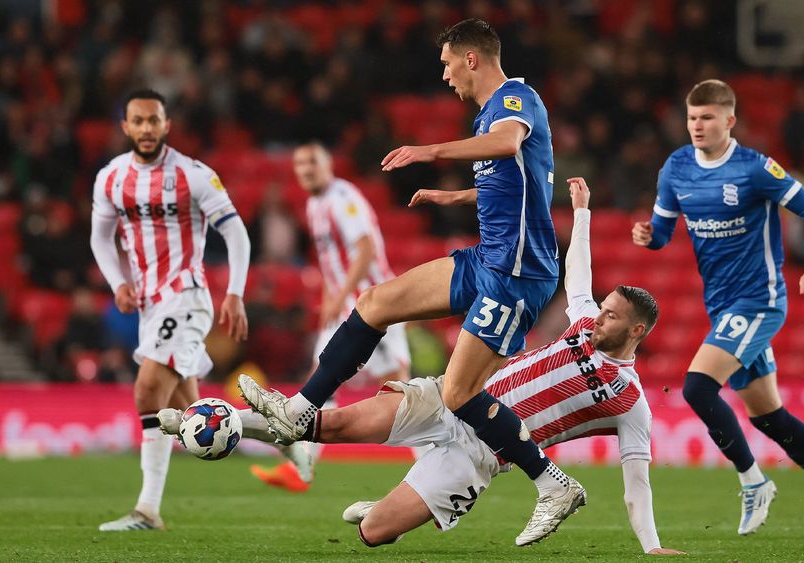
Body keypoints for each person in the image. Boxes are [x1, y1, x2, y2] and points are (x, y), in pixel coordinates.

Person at [164, 179, 683, 554]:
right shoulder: (585, 322)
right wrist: (584, 213)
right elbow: (578, 276)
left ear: (636, 331)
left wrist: (653, 548)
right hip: (450, 394)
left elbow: (637, 481)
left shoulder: (630, 401)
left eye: (612, 315)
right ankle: (227, 422)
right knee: (333, 423)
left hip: (481, 450)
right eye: (603, 307)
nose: (598, 316)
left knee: (373, 534)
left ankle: (393, 505)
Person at [238, 19, 583, 545]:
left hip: (517, 275)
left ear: (472, 58)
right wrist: (459, 197)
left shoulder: (516, 100)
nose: (444, 75)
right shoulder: (491, 113)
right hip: (487, 259)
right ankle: (301, 409)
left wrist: (432, 152)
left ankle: (552, 484)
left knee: (459, 391)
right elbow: (524, 186)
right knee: (376, 301)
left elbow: (508, 145)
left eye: (448, 63)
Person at [631, 80, 804, 539]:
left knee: (698, 387)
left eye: (706, 117)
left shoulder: (755, 169)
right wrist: (649, 236)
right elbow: (663, 233)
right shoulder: (676, 168)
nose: (697, 126)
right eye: (691, 118)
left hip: (760, 300)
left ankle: (753, 482)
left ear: (729, 120)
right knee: (768, 417)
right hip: (722, 306)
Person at [90, 89, 310, 530]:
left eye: (155, 120)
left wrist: (234, 292)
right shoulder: (111, 178)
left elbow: (236, 234)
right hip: (150, 308)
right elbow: (100, 237)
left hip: (186, 297)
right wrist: (118, 283)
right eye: (139, 120)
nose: (147, 128)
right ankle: (282, 433)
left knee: (146, 391)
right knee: (196, 418)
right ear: (126, 127)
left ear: (167, 125)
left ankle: (147, 510)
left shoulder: (192, 175)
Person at [250, 141, 417, 491]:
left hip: (376, 306)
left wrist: (342, 295)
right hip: (346, 309)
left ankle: (436, 469)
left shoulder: (344, 198)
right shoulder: (314, 204)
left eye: (312, 162)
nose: (306, 170)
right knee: (317, 382)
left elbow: (366, 248)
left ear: (328, 166)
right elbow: (331, 262)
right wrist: (331, 298)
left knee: (399, 390)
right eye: (300, 164)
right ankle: (301, 470)